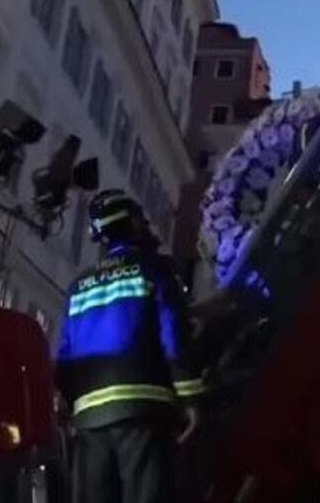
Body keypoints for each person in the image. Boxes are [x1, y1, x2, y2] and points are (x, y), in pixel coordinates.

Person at [55, 189, 205, 503]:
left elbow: (65, 357)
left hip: (90, 420)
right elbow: (174, 339)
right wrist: (191, 399)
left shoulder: (78, 287)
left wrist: (70, 410)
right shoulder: (154, 271)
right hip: (143, 412)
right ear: (134, 222)